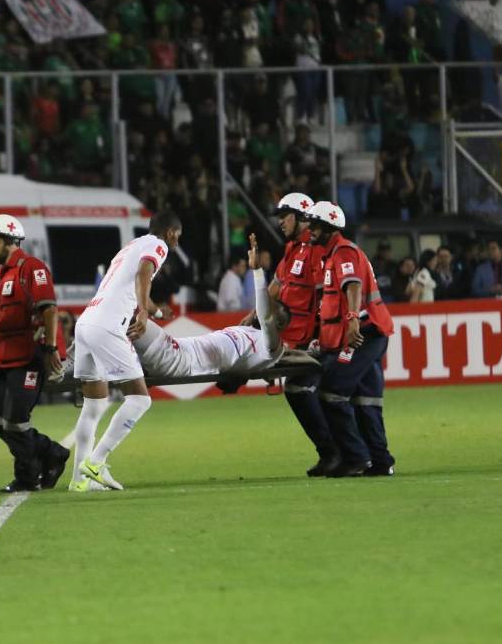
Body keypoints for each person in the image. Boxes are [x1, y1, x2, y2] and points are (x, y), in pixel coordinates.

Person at [70, 211, 183, 492]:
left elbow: (130, 286)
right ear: (170, 232)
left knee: (93, 405)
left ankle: (79, 481)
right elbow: (144, 272)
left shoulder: (130, 246)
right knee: (140, 400)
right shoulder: (158, 245)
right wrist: (144, 310)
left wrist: (155, 310)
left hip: (86, 322)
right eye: (177, 237)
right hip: (107, 326)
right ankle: (96, 463)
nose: (176, 242)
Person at [0, 214, 71, 493]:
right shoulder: (5, 274)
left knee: (15, 422)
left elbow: (49, 308)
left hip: (28, 357)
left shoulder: (32, 268)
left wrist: (50, 347)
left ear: (10, 240)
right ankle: (52, 453)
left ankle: (27, 477)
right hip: (6, 360)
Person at [133, 234, 297, 382]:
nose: (262, 309)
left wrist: (257, 272)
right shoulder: (250, 333)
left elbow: (265, 318)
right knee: (125, 316)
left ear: (279, 324)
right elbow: (238, 367)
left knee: (126, 315)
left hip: (181, 360)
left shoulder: (271, 347)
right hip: (177, 346)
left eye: (270, 307)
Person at [309, 201, 397, 477]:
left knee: (331, 391)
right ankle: (381, 461)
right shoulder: (332, 255)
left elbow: (353, 286)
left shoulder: (343, 251)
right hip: (367, 332)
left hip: (363, 334)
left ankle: (356, 458)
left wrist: (352, 320)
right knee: (366, 399)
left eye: (315, 225)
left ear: (329, 227)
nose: (310, 230)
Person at [255, 193, 336, 476]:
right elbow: (274, 289)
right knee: (299, 391)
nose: (280, 222)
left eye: (284, 216)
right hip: (291, 339)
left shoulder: (314, 250)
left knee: (301, 390)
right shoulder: (291, 250)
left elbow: (325, 295)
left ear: (301, 216)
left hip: (310, 340)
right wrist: (253, 316)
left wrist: (319, 336)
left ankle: (334, 452)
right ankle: (333, 452)